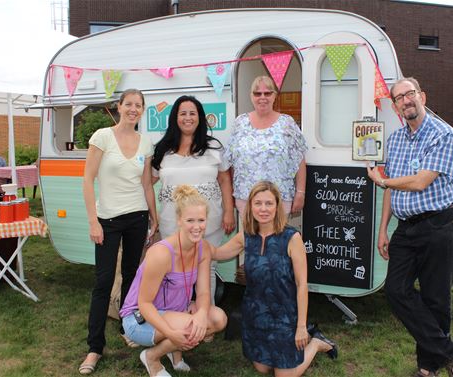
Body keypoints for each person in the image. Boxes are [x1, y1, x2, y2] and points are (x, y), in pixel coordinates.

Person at [366, 77, 453, 377]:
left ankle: (427, 368)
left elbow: (421, 181)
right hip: (406, 227)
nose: (405, 101)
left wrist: (382, 179)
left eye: (409, 94)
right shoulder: (396, 140)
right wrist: (383, 229)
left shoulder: (443, 135)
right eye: (399, 98)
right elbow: (393, 192)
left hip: (439, 224)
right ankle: (450, 351)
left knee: (436, 297)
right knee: (396, 291)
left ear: (422, 96)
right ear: (395, 106)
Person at [213, 181, 336, 377]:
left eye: (269, 203)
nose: (263, 209)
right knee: (262, 369)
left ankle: (316, 344)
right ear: (250, 206)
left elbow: (301, 285)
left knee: (284, 375)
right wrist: (193, 241)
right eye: (258, 203)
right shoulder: (246, 235)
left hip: (284, 316)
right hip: (256, 314)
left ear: (277, 206)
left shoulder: (291, 238)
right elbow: (217, 254)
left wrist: (301, 327)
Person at [151, 95, 234, 368]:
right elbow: (146, 180)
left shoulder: (213, 148)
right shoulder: (163, 150)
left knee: (205, 270)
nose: (188, 118)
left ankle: (202, 320)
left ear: (200, 118)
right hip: (172, 224)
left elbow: (224, 179)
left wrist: (230, 211)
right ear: (175, 118)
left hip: (208, 224)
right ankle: (176, 332)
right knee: (176, 275)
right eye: (182, 113)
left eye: (193, 113)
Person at [79, 89, 158, 375]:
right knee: (102, 283)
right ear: (119, 107)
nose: (133, 109)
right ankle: (94, 348)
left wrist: (154, 216)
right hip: (108, 220)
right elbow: (88, 180)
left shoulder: (146, 142)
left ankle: (128, 330)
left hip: (137, 217)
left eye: (138, 105)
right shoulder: (102, 136)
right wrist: (92, 221)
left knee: (130, 277)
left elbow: (147, 184)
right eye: (129, 104)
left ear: (142, 110)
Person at [119, 185, 227, 377]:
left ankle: (173, 352)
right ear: (179, 220)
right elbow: (144, 304)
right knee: (190, 327)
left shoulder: (202, 248)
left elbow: (202, 292)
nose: (197, 226)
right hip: (139, 318)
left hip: (172, 310)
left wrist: (202, 313)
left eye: (201, 220)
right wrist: (170, 333)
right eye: (190, 220)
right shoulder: (161, 253)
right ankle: (152, 357)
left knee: (218, 318)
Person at [224, 75, 307, 216]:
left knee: (278, 238)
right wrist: (230, 195)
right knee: (250, 238)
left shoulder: (287, 123)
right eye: (257, 93)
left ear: (275, 96)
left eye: (267, 93)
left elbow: (299, 160)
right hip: (246, 198)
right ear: (251, 96)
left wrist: (300, 193)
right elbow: (231, 161)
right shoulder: (240, 122)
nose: (262, 97)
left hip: (279, 198)